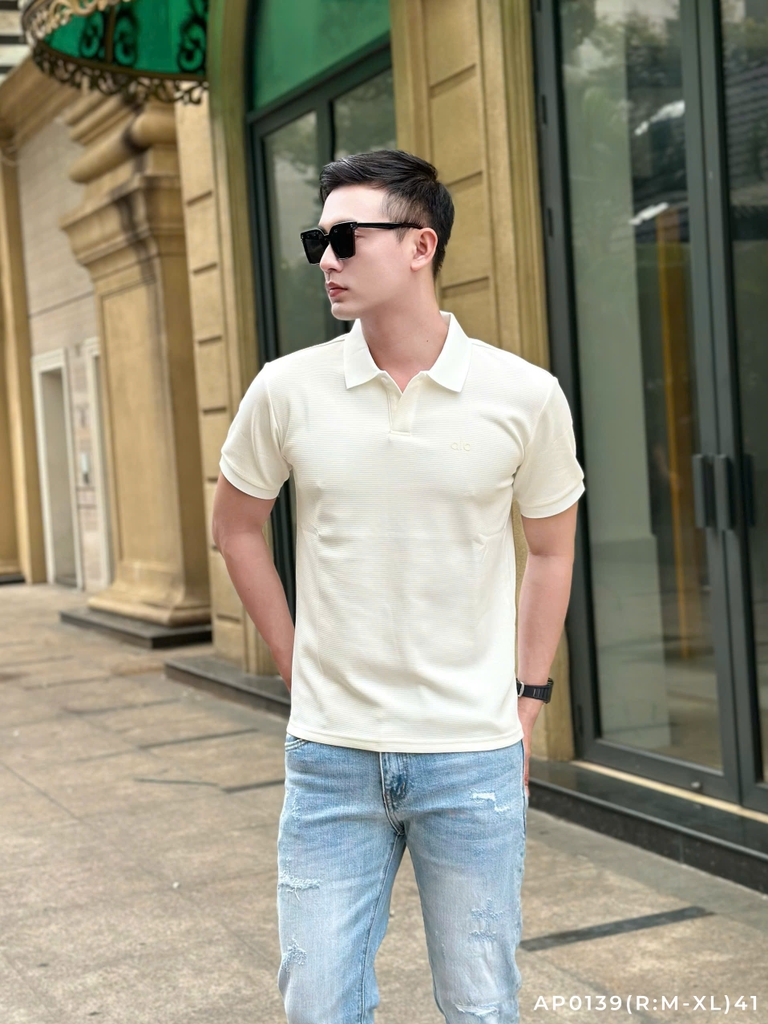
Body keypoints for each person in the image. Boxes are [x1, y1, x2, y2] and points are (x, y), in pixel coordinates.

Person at [211, 149, 585, 1024]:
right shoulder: (286, 389)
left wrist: (527, 702)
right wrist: (295, 661)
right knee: (318, 1004)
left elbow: (551, 552)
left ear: (422, 245)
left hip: (472, 753)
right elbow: (236, 528)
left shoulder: (525, 395)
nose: (326, 259)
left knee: (481, 1005)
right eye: (318, 241)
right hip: (331, 757)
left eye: (346, 238)